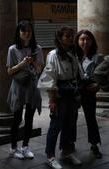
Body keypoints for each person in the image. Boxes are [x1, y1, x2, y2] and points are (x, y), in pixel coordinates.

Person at [38, 26, 82, 169]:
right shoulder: (53, 55)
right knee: (56, 126)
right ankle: (50, 156)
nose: (71, 38)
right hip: (60, 94)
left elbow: (77, 73)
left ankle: (66, 151)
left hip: (72, 93)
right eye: (67, 36)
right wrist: (52, 99)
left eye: (72, 35)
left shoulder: (73, 53)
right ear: (60, 38)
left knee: (70, 125)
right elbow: (49, 77)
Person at [6, 20, 43, 160]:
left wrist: (33, 61)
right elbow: (9, 71)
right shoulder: (12, 49)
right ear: (19, 33)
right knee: (16, 119)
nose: (27, 34)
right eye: (24, 31)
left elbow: (40, 70)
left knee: (29, 118)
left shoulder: (37, 49)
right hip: (18, 87)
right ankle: (13, 148)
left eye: (29, 31)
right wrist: (21, 64)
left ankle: (25, 147)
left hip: (32, 86)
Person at [74, 29, 104, 159]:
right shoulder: (73, 56)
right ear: (77, 41)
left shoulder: (98, 57)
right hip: (74, 91)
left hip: (89, 91)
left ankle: (94, 144)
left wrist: (98, 85)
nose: (84, 42)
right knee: (71, 119)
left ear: (92, 41)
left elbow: (103, 76)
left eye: (87, 39)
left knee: (91, 119)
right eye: (82, 39)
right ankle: (69, 143)